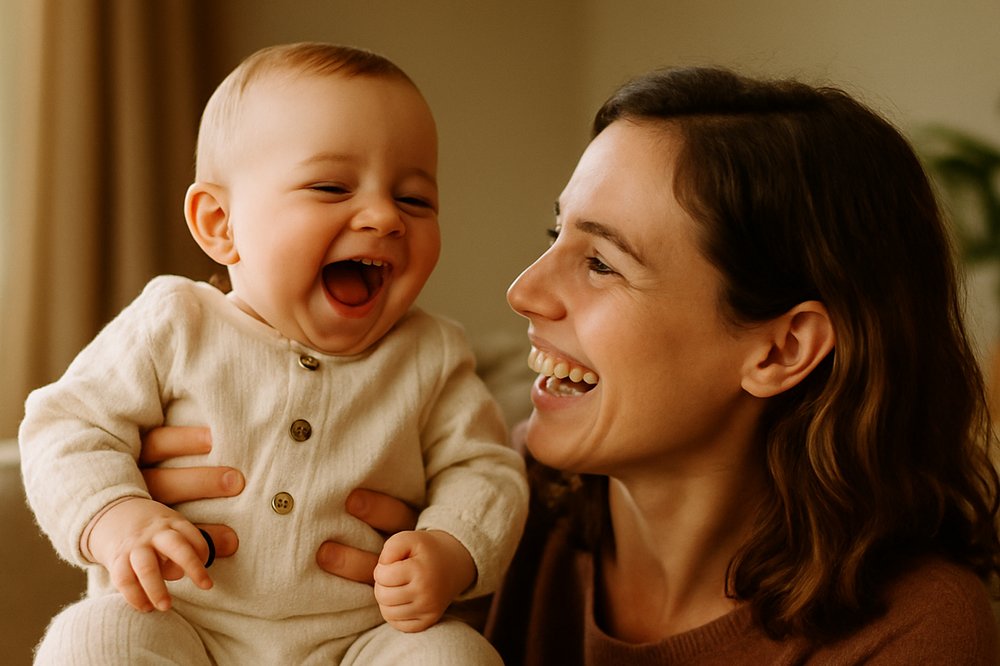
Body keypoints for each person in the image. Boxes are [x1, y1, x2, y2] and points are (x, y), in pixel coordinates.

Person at [138, 66, 1000, 664]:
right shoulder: (482, 508)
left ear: (780, 348)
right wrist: (170, 525)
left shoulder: (920, 633)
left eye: (601, 262)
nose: (523, 292)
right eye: (556, 236)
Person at [19, 42, 527, 666]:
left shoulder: (431, 354)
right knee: (93, 641)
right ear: (220, 223)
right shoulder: (175, 323)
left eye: (415, 199)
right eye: (331, 186)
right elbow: (64, 427)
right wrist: (117, 516)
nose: (384, 216)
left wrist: (452, 548)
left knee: (455, 654)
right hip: (181, 621)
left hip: (360, 640)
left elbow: (487, 470)